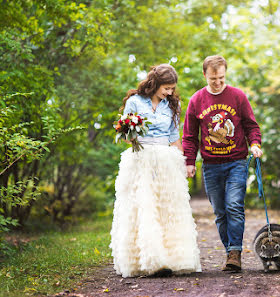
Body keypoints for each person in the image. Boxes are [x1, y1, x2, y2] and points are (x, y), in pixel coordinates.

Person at [110, 64, 201, 278]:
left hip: (165, 158)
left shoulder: (172, 105)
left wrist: (187, 162)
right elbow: (126, 136)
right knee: (143, 206)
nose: (169, 92)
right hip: (141, 158)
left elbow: (174, 137)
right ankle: (146, 260)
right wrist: (128, 131)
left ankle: (171, 258)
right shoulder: (134, 102)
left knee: (167, 208)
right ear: (156, 83)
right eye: (166, 88)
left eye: (172, 89)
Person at [182, 55, 263, 272]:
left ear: (225, 74)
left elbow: (251, 125)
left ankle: (235, 252)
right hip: (210, 165)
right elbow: (189, 136)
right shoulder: (196, 100)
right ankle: (230, 251)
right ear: (205, 75)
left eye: (221, 78)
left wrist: (255, 143)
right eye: (212, 79)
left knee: (234, 206)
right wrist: (190, 162)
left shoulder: (237, 96)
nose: (217, 82)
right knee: (220, 212)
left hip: (236, 161)